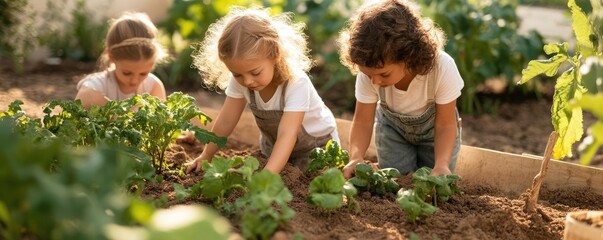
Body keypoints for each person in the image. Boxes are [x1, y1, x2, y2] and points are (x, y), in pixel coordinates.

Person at [185, 7, 339, 174]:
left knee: (312, 178)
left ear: (275, 54)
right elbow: (225, 121)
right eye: (237, 75)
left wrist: (267, 176)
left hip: (317, 149)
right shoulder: (243, 80)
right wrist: (206, 155)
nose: (247, 81)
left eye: (255, 72)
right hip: (275, 147)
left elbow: (288, 134)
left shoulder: (296, 83)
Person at [338, 0, 463, 178]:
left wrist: (442, 164)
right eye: (368, 75)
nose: (375, 81)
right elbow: (362, 121)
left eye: (384, 74)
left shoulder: (442, 68)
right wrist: (356, 157)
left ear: (409, 56)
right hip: (392, 132)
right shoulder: (371, 72)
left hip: (436, 133)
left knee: (434, 182)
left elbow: (445, 124)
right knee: (395, 181)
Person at [75, 12, 167, 109]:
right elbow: (85, 96)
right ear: (112, 56)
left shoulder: (153, 86)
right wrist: (120, 116)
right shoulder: (99, 84)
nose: (135, 81)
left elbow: (163, 119)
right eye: (127, 73)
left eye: (143, 74)